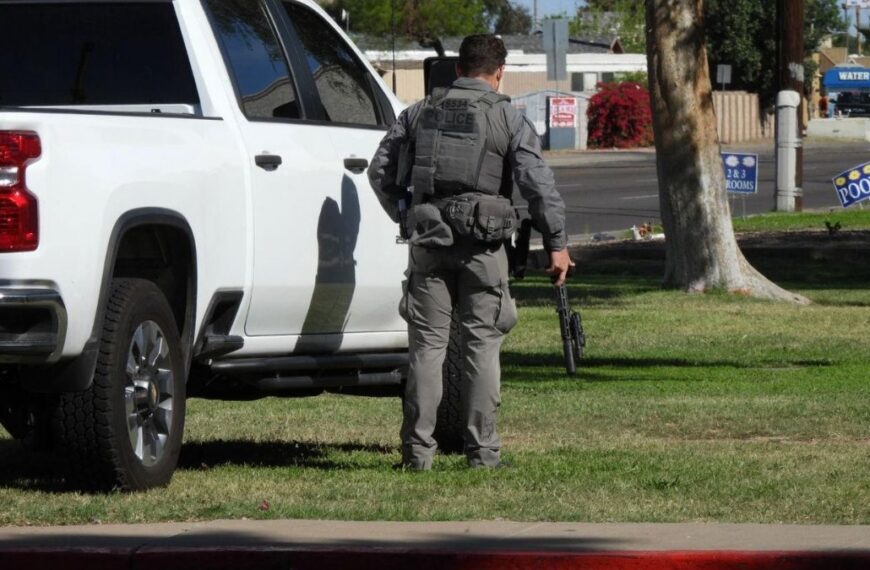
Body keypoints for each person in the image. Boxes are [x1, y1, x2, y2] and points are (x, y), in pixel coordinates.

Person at [367, 34, 571, 470]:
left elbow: (380, 170)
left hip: (429, 244)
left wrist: (405, 217)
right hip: (484, 249)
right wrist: (556, 245)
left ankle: (417, 454)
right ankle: (483, 454)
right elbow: (539, 187)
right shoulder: (508, 118)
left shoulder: (419, 112)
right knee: (482, 348)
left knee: (426, 350)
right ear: (499, 73)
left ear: (458, 70)